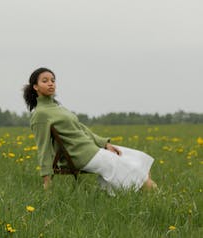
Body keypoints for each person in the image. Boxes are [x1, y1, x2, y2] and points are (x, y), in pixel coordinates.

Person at [24, 67, 156, 192]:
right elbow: (43, 148)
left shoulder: (57, 107)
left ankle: (143, 193)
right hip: (80, 155)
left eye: (53, 80)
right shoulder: (40, 114)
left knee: (136, 158)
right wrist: (47, 181)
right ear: (35, 87)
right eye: (45, 81)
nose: (51, 84)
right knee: (133, 171)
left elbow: (81, 128)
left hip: (91, 149)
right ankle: (156, 196)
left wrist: (105, 144)